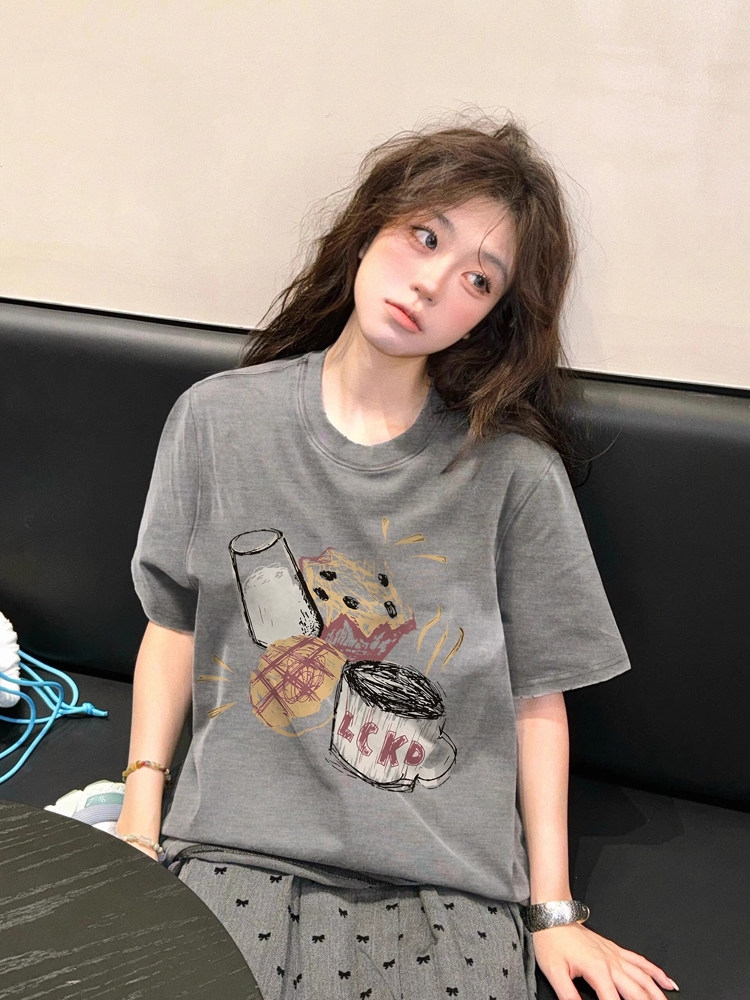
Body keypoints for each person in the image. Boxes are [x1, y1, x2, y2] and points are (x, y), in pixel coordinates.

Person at [118, 117, 678, 1000]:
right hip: (230, 851)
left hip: (446, 884)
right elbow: (174, 623)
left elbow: (538, 698)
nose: (432, 283)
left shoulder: (513, 475)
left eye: (478, 279)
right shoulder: (218, 420)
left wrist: (554, 912)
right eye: (425, 236)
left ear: (492, 317)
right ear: (370, 225)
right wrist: (140, 819)